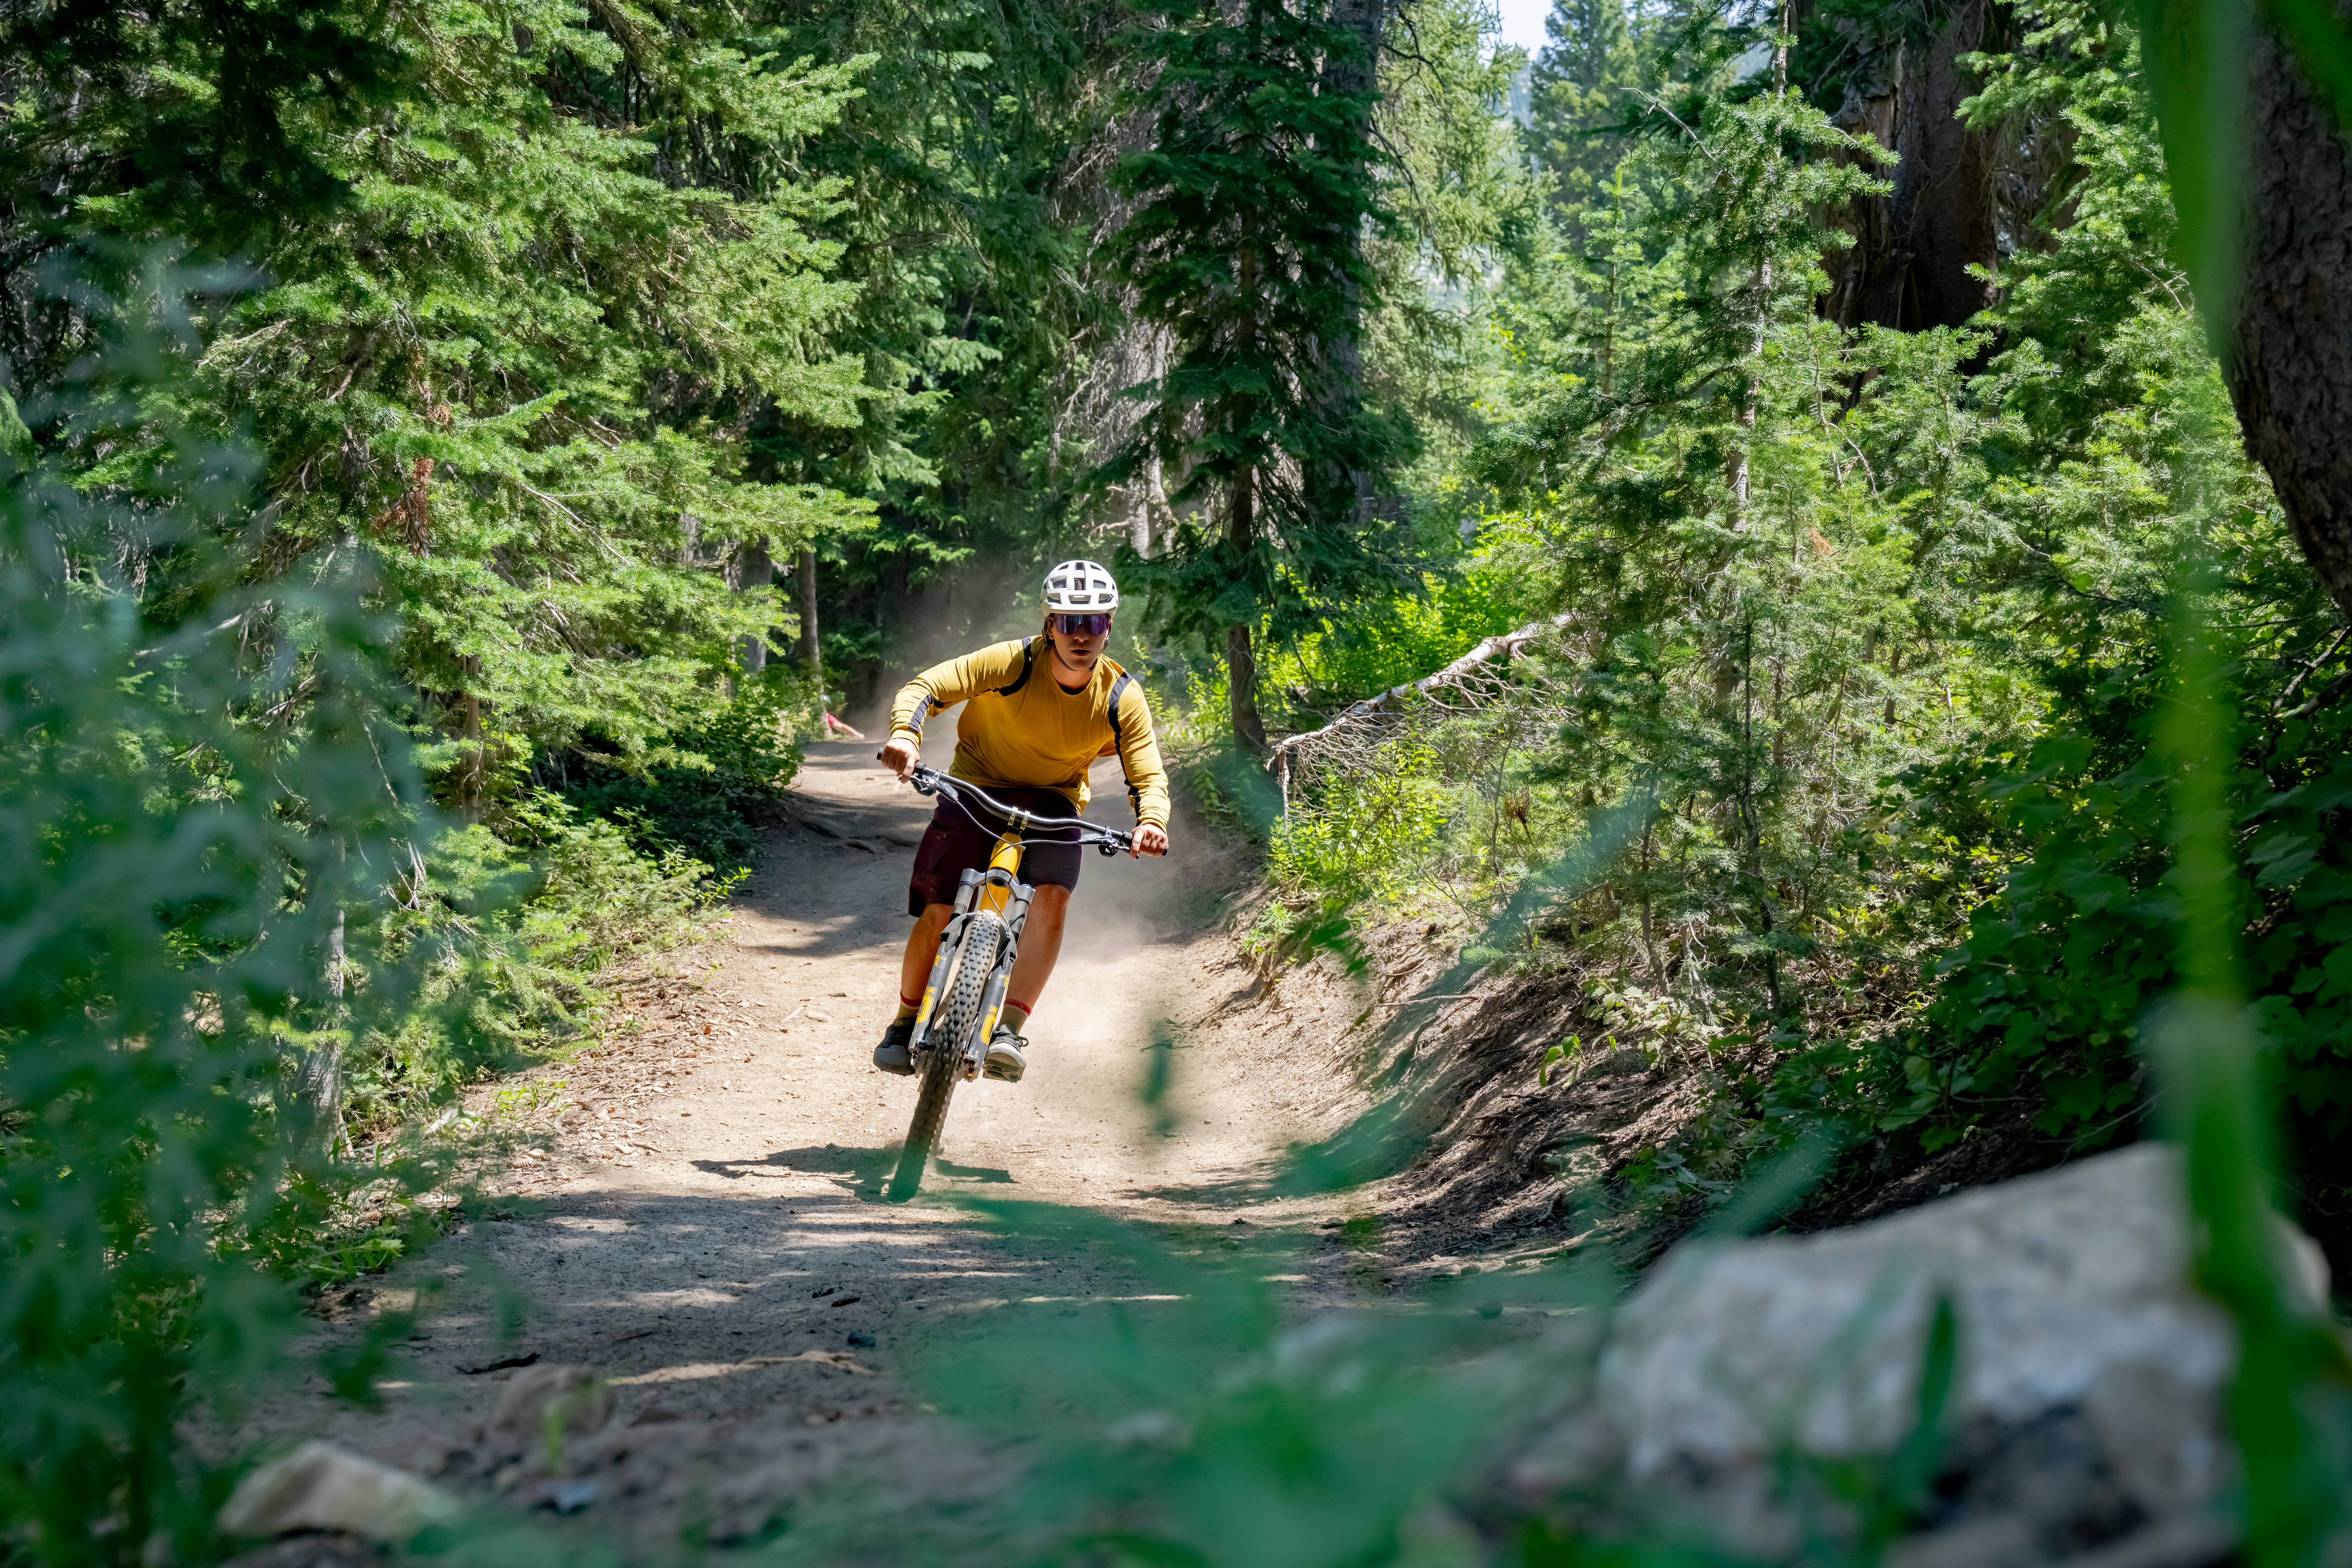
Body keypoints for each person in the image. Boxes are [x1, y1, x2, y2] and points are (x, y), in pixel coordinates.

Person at [873, 561, 1171, 1082]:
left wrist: (1153, 820)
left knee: (1052, 898)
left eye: (1094, 623)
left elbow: (1146, 769)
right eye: (1070, 623)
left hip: (1055, 801)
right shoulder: (1012, 662)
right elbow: (929, 686)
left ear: (1109, 627)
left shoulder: (1121, 695)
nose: (1082, 636)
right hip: (977, 786)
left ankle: (1008, 1029)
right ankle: (903, 1023)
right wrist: (905, 736)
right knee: (938, 909)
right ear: (1049, 625)